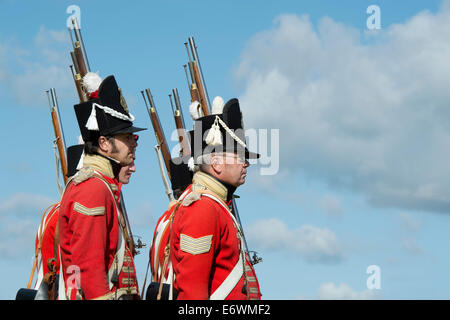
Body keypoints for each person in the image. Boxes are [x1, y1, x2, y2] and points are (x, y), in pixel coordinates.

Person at [58, 74, 145, 300]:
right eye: (126, 137)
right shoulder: (93, 189)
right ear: (104, 143)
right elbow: (89, 270)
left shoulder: (102, 186)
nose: (134, 143)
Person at [169, 98, 262, 300]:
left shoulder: (216, 206)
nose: (245, 164)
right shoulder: (202, 209)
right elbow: (192, 293)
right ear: (217, 163)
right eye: (238, 156)